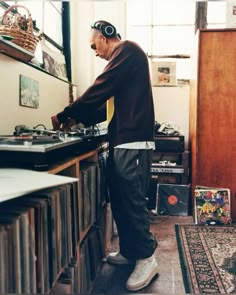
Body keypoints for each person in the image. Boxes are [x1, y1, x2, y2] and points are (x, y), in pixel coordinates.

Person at [51, 20, 158, 291]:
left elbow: (101, 86)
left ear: (104, 36)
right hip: (123, 141)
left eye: (93, 45)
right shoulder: (124, 61)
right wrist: (78, 119)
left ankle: (146, 257)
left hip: (133, 142)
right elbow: (105, 108)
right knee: (120, 199)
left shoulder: (127, 50)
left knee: (132, 200)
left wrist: (67, 113)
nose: (94, 51)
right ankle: (130, 251)